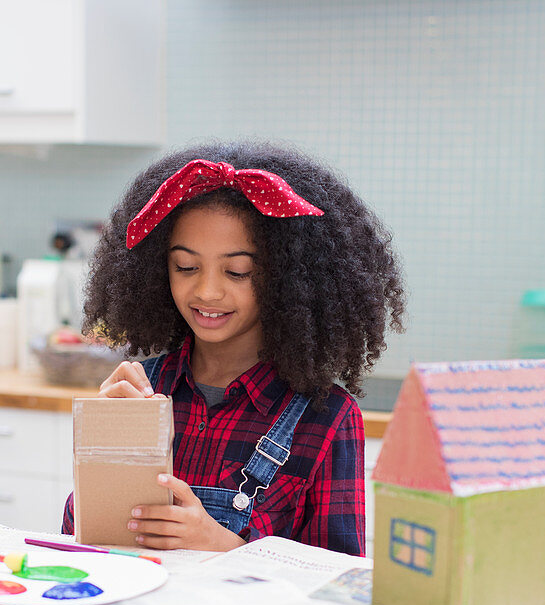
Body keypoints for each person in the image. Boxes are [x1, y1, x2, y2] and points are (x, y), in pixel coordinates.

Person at [61, 140, 406, 556]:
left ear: (288, 280)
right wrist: (106, 452)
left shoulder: (326, 421)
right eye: (186, 267)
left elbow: (332, 589)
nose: (207, 291)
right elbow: (75, 544)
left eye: (238, 271)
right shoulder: (140, 391)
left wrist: (221, 545)